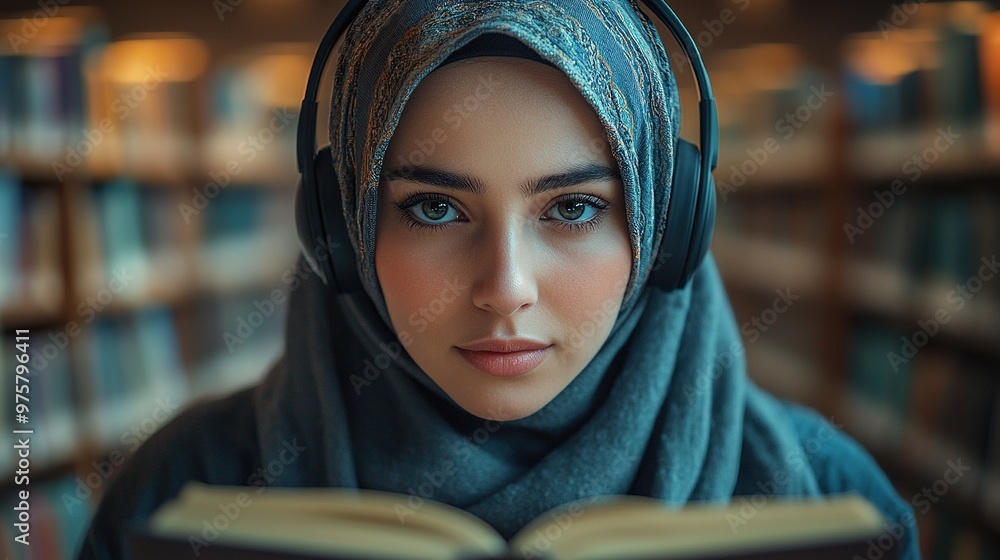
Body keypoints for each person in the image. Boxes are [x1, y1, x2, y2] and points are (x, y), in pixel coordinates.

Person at [77, 1, 919, 559]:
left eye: (575, 208)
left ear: (666, 231)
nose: (505, 288)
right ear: (341, 231)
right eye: (435, 209)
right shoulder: (175, 491)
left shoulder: (832, 498)